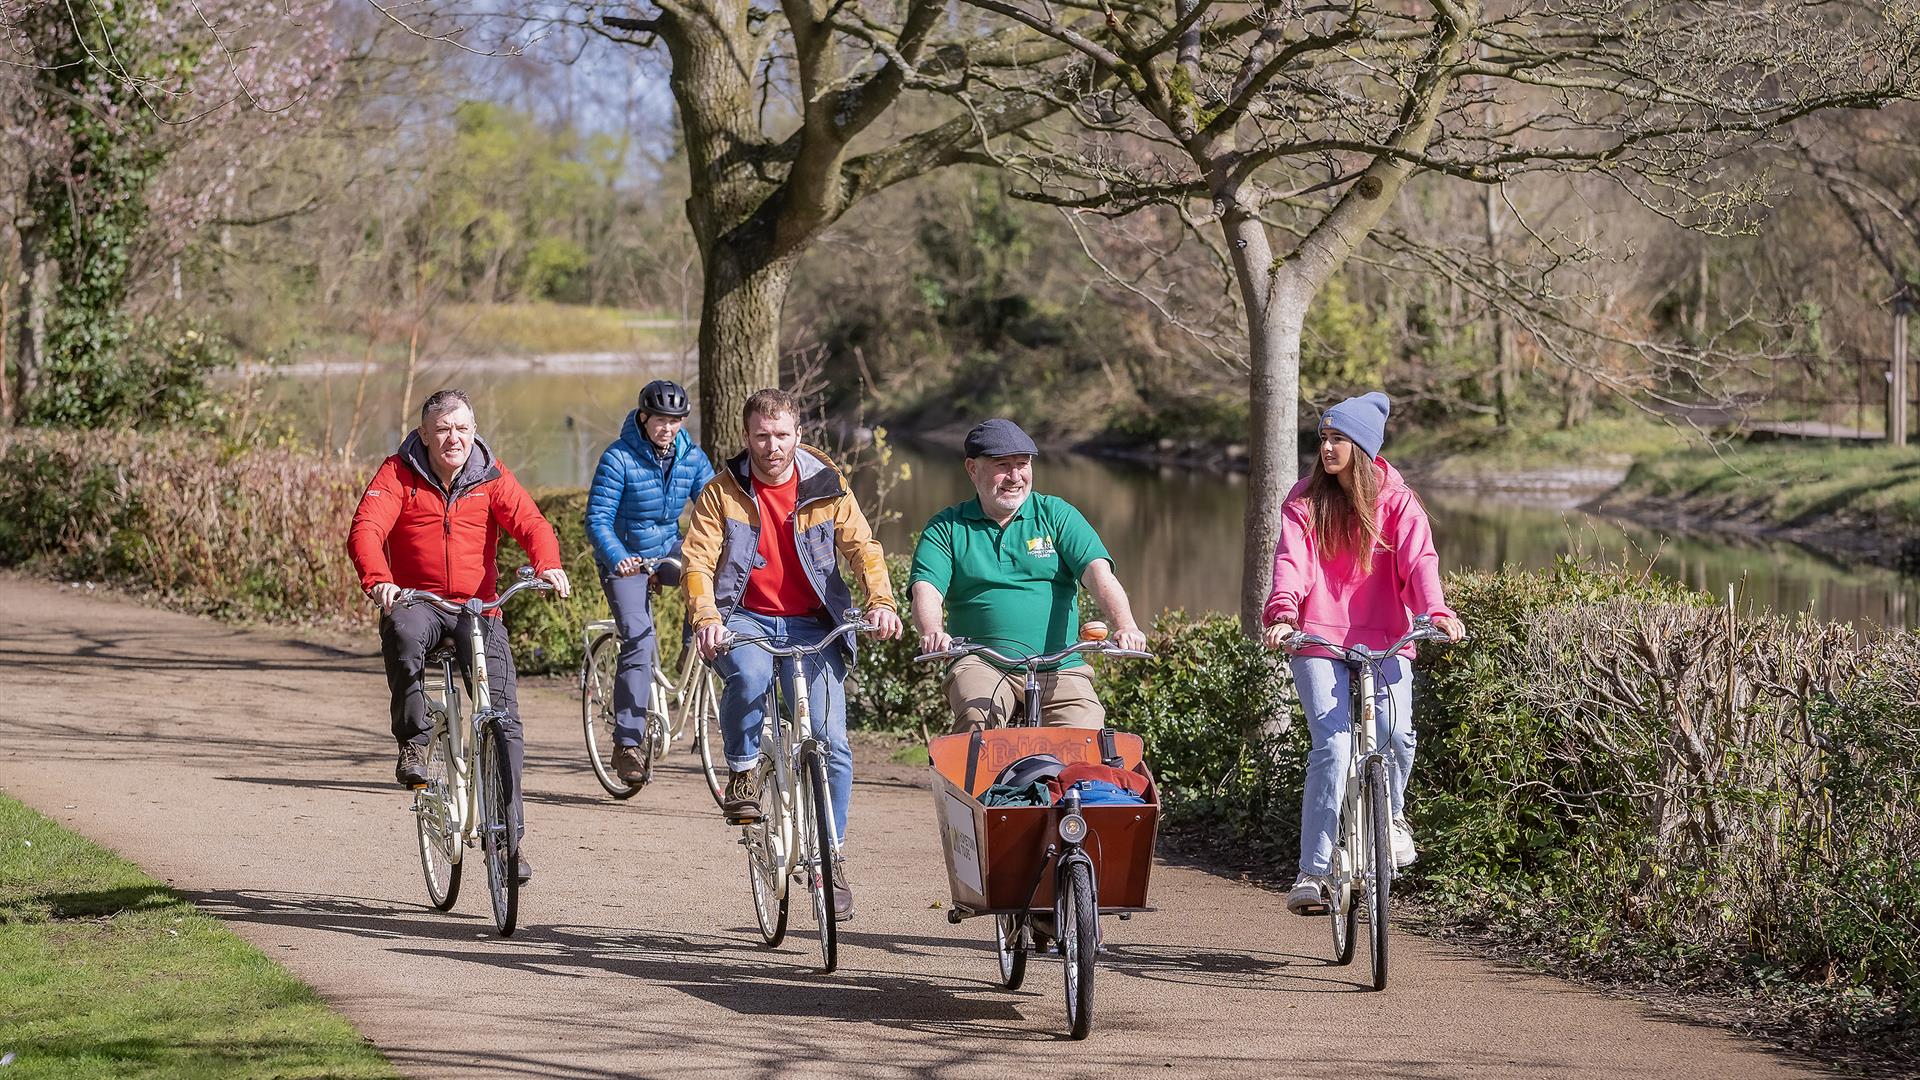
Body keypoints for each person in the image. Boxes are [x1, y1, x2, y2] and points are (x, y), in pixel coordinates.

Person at [680, 388, 902, 919]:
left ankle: (831, 859)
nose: (772, 446)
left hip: (813, 622)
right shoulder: (722, 492)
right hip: (744, 616)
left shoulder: (828, 487)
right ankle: (742, 769)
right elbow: (697, 562)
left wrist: (881, 602)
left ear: (798, 435)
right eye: (762, 435)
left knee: (831, 741)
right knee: (751, 676)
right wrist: (707, 617)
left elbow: (863, 549)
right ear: (747, 437)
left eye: (782, 435)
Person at [348, 388, 572, 884]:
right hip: (417, 601)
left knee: (505, 720)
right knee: (403, 636)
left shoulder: (491, 476)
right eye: (444, 430)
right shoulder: (398, 473)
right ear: (425, 434)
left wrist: (548, 564)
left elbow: (531, 523)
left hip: (478, 609)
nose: (455, 438)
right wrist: (380, 580)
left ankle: (506, 843)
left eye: (463, 429)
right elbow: (366, 528)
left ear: (475, 432)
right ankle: (415, 742)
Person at [1257, 392, 1465, 914]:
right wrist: (1283, 615)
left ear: (1364, 448)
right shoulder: (1304, 501)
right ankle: (1314, 870)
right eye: (1323, 438)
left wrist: (1436, 613)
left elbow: (1420, 564)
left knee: (1396, 734)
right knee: (1332, 744)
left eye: (1338, 439)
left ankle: (1390, 817)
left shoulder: (1398, 503)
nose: (1327, 447)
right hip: (1318, 640)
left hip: (1385, 637)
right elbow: (1292, 563)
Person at [909, 418, 1148, 732]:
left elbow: (1099, 574)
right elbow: (927, 589)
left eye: (1022, 464)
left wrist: (1126, 625)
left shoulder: (1056, 515)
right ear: (972, 468)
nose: (1014, 476)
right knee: (977, 721)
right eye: (1002, 465)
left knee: (1085, 736)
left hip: (1059, 666)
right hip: (983, 664)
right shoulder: (947, 527)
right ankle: (970, 782)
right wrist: (932, 631)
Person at [584, 379, 716, 785]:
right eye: (661, 420)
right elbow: (597, 520)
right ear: (644, 418)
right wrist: (620, 559)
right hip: (625, 557)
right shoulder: (618, 458)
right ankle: (627, 744)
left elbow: (712, 508)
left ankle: (691, 646)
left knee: (715, 582)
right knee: (639, 638)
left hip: (668, 549)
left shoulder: (690, 457)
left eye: (675, 421)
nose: (668, 428)